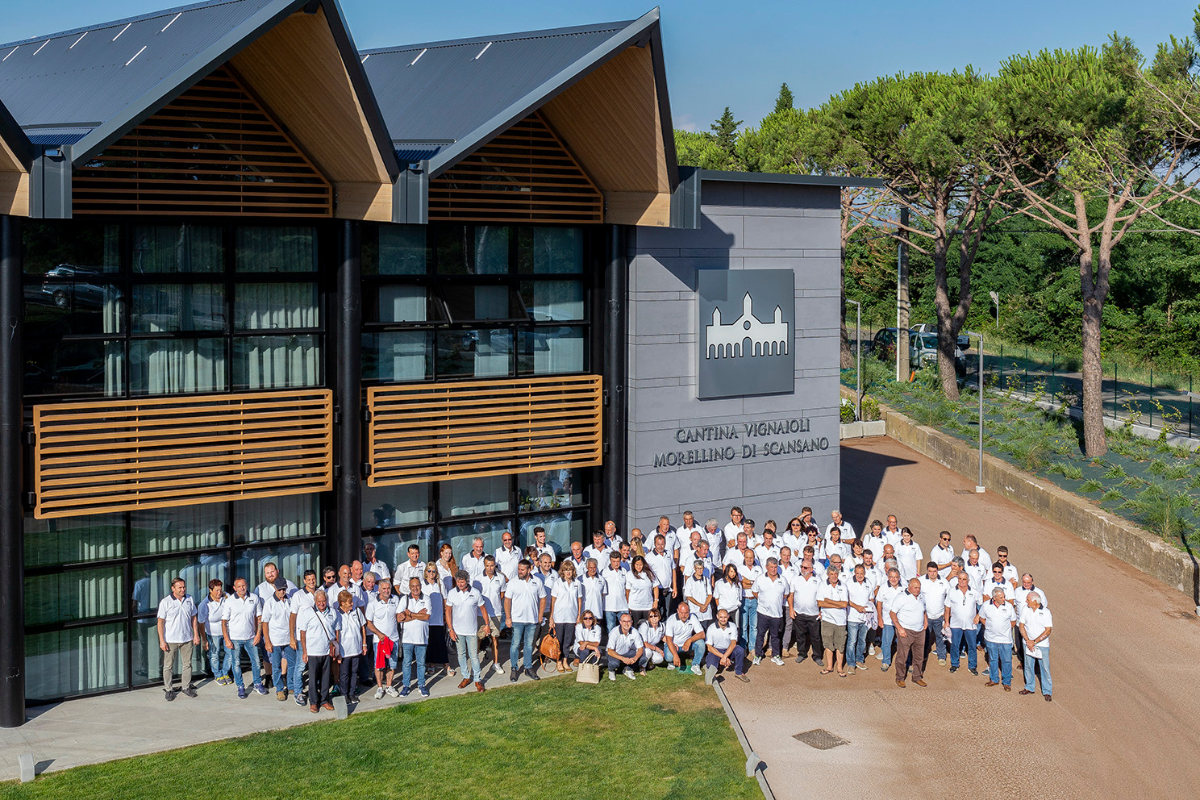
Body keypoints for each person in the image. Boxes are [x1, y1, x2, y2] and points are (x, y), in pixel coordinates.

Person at [446, 570, 490, 692]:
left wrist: (487, 624)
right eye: (458, 582)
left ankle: (477, 679)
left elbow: (483, 609)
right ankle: (466, 677)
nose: (460, 584)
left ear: (467, 581)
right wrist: (451, 629)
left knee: (474, 656)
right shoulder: (451, 593)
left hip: (471, 630)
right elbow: (448, 611)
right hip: (457, 630)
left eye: (462, 582)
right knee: (461, 654)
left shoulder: (475, 593)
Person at [222, 577, 266, 698]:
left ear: (247, 585)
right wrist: (227, 639)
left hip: (251, 637)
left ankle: (257, 684)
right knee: (236, 664)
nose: (242, 588)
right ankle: (240, 686)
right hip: (235, 638)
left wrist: (258, 634)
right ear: (234, 588)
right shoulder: (229, 601)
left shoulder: (254, 598)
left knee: (256, 662)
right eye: (239, 586)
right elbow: (224, 621)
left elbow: (259, 617)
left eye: (243, 585)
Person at [158, 577, 200, 700]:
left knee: (187, 664)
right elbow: (160, 622)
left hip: (187, 638)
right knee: (168, 666)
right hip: (170, 640)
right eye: (180, 587)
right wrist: (162, 640)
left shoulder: (189, 599)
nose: (183, 589)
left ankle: (186, 687)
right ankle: (168, 689)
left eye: (184, 587)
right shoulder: (166, 602)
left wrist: (196, 634)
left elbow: (193, 617)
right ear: (173, 588)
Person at [298, 589, 339, 713]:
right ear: (315, 601)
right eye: (319, 601)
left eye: (323, 601)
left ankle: (324, 700)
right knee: (313, 678)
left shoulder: (333, 612)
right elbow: (303, 633)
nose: (321, 603)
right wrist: (305, 652)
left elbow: (336, 630)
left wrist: (336, 648)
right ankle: (314, 702)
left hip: (327, 651)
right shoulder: (307, 612)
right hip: (312, 651)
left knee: (325, 678)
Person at [504, 559, 545, 682]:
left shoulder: (537, 581)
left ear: (529, 569)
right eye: (519, 569)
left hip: (532, 620)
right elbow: (507, 600)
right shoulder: (513, 582)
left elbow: (543, 598)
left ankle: (528, 667)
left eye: (522, 569)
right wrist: (508, 617)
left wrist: (540, 615)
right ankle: (514, 668)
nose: (520, 571)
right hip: (517, 620)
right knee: (515, 645)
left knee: (529, 645)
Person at [288, 569, 319, 707]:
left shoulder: (320, 593)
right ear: (304, 581)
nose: (312, 582)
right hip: (303, 637)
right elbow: (292, 617)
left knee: (315, 665)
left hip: (317, 636)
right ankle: (298, 692)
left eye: (313, 579)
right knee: (301, 665)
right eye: (309, 579)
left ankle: (315, 689)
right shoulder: (298, 595)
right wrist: (292, 637)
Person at [262, 578, 297, 701]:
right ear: (275, 589)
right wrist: (267, 641)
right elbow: (265, 623)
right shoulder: (269, 603)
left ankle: (291, 685)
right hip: (275, 639)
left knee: (292, 663)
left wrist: (294, 637)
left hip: (289, 638)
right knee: (276, 666)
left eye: (284, 589)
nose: (282, 592)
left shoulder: (290, 600)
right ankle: (279, 689)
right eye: (280, 589)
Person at [366, 579, 402, 699]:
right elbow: (369, 623)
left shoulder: (395, 599)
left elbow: (399, 614)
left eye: (388, 588)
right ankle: (380, 687)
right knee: (379, 665)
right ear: (379, 590)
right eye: (384, 589)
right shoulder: (372, 604)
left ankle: (389, 686)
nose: (387, 591)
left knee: (392, 665)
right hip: (379, 641)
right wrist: (379, 634)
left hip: (393, 639)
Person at [752, 557, 791, 666]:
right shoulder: (760, 579)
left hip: (777, 614)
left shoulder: (783, 580)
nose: (773, 569)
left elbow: (786, 594)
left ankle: (776, 655)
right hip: (763, 613)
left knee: (775, 636)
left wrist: (775, 600)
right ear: (766, 567)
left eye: (775, 567)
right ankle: (758, 655)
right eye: (771, 567)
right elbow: (755, 592)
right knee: (760, 635)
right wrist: (763, 600)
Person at [977, 587, 1017, 691]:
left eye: (1004, 597)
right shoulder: (986, 605)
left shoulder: (1009, 606)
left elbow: (1013, 621)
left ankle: (1006, 682)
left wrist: (1004, 630)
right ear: (994, 598)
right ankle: (994, 679)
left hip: (1005, 639)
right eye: (1001, 597)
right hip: (991, 638)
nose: (1004, 599)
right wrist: (989, 626)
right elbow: (982, 617)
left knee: (1007, 660)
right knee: (993, 659)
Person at [890, 578, 928, 688]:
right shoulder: (901, 597)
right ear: (909, 587)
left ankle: (917, 677)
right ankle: (900, 678)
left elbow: (923, 610)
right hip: (906, 630)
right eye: (915, 588)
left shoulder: (921, 596)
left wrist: (925, 621)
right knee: (902, 656)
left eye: (919, 588)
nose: (918, 590)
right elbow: (892, 613)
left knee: (919, 656)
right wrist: (899, 628)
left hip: (920, 631)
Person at [1018, 590, 1053, 701]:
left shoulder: (1046, 612)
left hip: (1042, 645)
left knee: (1045, 668)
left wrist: (1035, 641)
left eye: (1028, 599)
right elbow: (1021, 625)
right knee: (1028, 665)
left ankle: (1047, 691)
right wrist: (1028, 640)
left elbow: (1048, 630)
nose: (1026, 601)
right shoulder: (1025, 609)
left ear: (1034, 601)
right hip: (1027, 643)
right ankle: (1029, 686)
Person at [399, 577, 432, 697]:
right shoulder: (405, 599)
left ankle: (421, 685)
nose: (415, 588)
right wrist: (418, 615)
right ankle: (406, 686)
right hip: (407, 638)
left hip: (422, 638)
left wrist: (410, 614)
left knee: (421, 663)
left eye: (417, 585)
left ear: (420, 586)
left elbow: (427, 617)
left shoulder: (426, 598)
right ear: (409, 587)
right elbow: (400, 618)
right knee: (406, 663)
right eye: (413, 586)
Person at [474, 556, 506, 675]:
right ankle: (476, 663)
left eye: (492, 565)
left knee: (495, 638)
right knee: (479, 638)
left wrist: (495, 604)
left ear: (495, 565)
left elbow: (502, 593)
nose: (490, 568)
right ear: (484, 565)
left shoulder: (501, 578)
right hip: (481, 614)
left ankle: (495, 663)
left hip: (496, 614)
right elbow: (475, 596)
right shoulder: (477, 579)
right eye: (487, 565)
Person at [550, 561, 583, 673]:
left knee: (568, 641)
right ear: (562, 571)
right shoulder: (557, 583)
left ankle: (565, 660)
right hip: (559, 616)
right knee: (559, 640)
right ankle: (559, 661)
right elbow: (553, 601)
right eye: (566, 570)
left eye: (570, 570)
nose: (568, 572)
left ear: (573, 571)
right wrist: (551, 617)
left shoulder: (577, 583)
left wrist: (578, 615)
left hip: (571, 616)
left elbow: (579, 600)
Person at [817, 566, 850, 677]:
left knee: (840, 645)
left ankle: (839, 668)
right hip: (827, 620)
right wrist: (837, 604)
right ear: (828, 575)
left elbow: (844, 604)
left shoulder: (843, 586)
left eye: (836, 574)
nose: (834, 576)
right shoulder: (822, 585)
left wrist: (829, 601)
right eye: (831, 574)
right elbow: (820, 603)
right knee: (828, 644)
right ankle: (829, 666)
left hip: (841, 621)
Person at [945, 572, 981, 675]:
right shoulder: (952, 591)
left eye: (964, 579)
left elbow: (982, 605)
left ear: (968, 581)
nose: (961, 581)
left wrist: (978, 616)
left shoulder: (974, 592)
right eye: (960, 579)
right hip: (955, 624)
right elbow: (947, 608)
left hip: (971, 624)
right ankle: (954, 664)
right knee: (955, 645)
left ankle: (972, 666)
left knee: (972, 645)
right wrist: (946, 622)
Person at [335, 589, 367, 702]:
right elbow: (336, 634)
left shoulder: (357, 611)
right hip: (344, 650)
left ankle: (352, 693)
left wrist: (364, 644)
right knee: (344, 674)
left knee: (354, 672)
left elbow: (363, 627)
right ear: (342, 603)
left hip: (356, 648)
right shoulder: (337, 614)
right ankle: (344, 694)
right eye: (350, 602)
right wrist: (337, 652)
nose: (352, 604)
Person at [198, 579, 230, 687]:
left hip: (227, 631)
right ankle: (217, 674)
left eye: (220, 590)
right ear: (210, 590)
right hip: (213, 633)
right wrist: (204, 640)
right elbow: (201, 623)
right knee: (214, 655)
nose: (219, 592)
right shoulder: (204, 605)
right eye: (216, 590)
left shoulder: (226, 597)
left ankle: (225, 672)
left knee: (230, 652)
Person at [421, 563, 452, 677]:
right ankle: (431, 664)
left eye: (433, 571)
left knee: (440, 642)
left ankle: (446, 664)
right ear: (426, 572)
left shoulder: (440, 583)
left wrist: (445, 614)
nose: (431, 573)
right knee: (430, 643)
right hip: (427, 619)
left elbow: (445, 599)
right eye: (429, 571)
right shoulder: (422, 584)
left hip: (438, 619)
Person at [918, 561, 950, 666]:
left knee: (940, 636)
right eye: (930, 571)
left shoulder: (944, 582)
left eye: (934, 571)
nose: (932, 573)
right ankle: (923, 655)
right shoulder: (921, 581)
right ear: (927, 571)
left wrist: (946, 614)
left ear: (937, 571)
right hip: (925, 616)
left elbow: (949, 598)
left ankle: (942, 656)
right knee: (924, 637)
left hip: (939, 615)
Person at [790, 560, 822, 665]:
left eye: (805, 567)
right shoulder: (795, 578)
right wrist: (791, 609)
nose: (803, 569)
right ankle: (802, 654)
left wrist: (821, 611)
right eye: (802, 567)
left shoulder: (818, 580)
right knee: (800, 635)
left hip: (814, 614)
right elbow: (791, 595)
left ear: (811, 569)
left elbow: (822, 596)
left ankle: (817, 656)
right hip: (799, 613)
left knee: (815, 637)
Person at [704, 608, 749, 682]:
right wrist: (723, 657)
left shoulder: (733, 626)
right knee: (710, 666)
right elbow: (709, 647)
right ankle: (719, 665)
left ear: (728, 616)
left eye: (725, 617)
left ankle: (739, 672)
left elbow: (733, 643)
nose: (723, 619)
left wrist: (725, 656)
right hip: (716, 650)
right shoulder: (711, 628)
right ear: (717, 616)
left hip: (729, 649)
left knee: (740, 650)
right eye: (721, 617)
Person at [875, 567, 905, 671]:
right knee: (886, 642)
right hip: (887, 620)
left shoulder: (904, 588)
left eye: (896, 577)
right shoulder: (883, 588)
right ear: (888, 577)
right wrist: (880, 618)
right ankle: (886, 662)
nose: (893, 579)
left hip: (901, 621)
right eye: (891, 577)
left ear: (899, 578)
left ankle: (904, 661)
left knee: (903, 642)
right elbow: (879, 603)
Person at [664, 601, 706, 674]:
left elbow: (702, 634)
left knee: (701, 643)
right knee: (669, 657)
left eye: (686, 613)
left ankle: (695, 664)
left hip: (687, 645)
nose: (684, 615)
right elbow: (668, 639)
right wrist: (675, 655)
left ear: (689, 611)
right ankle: (671, 662)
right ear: (677, 611)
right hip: (674, 645)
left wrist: (689, 640)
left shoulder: (693, 617)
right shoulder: (671, 620)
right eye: (681, 613)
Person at [845, 564, 871, 672]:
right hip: (852, 617)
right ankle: (851, 663)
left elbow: (871, 598)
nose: (859, 575)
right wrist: (857, 607)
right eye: (857, 573)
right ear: (854, 573)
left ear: (864, 573)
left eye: (861, 573)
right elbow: (845, 600)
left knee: (862, 641)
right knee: (852, 641)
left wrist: (869, 607)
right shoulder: (848, 583)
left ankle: (859, 660)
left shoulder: (868, 583)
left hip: (865, 618)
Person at [605, 612, 645, 681]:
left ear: (632, 622)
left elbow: (640, 649)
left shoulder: (635, 632)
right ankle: (611, 671)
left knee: (643, 659)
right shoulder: (614, 632)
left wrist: (635, 658)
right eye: (624, 621)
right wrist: (623, 659)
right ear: (620, 622)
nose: (626, 623)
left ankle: (628, 669)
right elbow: (610, 651)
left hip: (627, 652)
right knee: (614, 664)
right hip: (614, 653)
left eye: (628, 621)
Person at [644, 534, 676, 618]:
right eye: (658, 544)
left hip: (668, 589)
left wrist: (675, 587)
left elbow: (673, 569)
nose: (660, 546)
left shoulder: (669, 553)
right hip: (656, 590)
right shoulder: (649, 557)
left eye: (662, 544)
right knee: (657, 613)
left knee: (667, 612)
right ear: (654, 544)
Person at [737, 547, 762, 650]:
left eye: (751, 557)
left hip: (755, 599)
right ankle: (743, 647)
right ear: (744, 557)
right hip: (744, 599)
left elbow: (759, 585)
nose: (749, 560)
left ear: (754, 557)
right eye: (747, 557)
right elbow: (740, 584)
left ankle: (752, 648)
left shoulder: (758, 569)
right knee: (743, 626)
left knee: (754, 626)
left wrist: (748, 581)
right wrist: (752, 583)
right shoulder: (739, 568)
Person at [626, 555, 658, 628]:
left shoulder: (650, 573)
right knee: (636, 626)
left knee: (648, 626)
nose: (638, 567)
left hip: (648, 606)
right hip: (635, 606)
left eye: (640, 564)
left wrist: (656, 600)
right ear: (633, 565)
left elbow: (655, 587)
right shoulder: (629, 575)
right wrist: (628, 605)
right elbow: (627, 591)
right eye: (636, 564)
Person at [601, 551, 628, 632]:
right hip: (609, 606)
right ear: (610, 560)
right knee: (611, 629)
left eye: (618, 561)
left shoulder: (624, 571)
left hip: (623, 605)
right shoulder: (604, 572)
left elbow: (627, 588)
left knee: (625, 628)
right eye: (614, 561)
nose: (616, 563)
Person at [683, 558, 713, 629]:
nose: (700, 571)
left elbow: (710, 594)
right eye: (698, 568)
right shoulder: (689, 581)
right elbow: (689, 596)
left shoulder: (706, 579)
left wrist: (705, 606)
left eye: (701, 568)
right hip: (694, 610)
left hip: (705, 611)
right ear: (694, 568)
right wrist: (700, 605)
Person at [713, 564, 742, 634]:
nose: (733, 574)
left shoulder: (737, 584)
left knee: (735, 630)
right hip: (723, 611)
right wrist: (720, 609)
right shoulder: (719, 583)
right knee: (722, 630)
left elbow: (739, 597)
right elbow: (716, 598)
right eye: (731, 571)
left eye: (734, 572)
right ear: (727, 572)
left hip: (734, 611)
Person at [638, 609, 667, 674]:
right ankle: (642, 667)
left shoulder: (662, 626)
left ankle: (648, 662)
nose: (653, 618)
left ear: (659, 617)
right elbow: (644, 643)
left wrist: (672, 644)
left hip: (652, 647)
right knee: (648, 652)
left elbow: (662, 637)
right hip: (642, 648)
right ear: (649, 618)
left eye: (655, 616)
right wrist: (658, 649)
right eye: (651, 616)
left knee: (660, 659)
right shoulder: (645, 625)